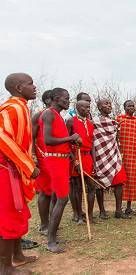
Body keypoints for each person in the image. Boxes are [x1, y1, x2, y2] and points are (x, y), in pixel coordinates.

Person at [0, 73, 39, 274]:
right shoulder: (12, 109)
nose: (34, 86)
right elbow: (3, 139)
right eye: (30, 83)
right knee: (8, 217)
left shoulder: (22, 107)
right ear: (18, 87)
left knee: (18, 212)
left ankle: (18, 256)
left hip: (15, 170)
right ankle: (6, 268)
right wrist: (28, 166)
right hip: (6, 171)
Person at [41, 88, 82, 253]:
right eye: (66, 98)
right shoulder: (48, 114)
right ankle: (51, 242)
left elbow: (59, 140)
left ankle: (52, 236)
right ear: (56, 98)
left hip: (62, 159)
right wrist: (70, 138)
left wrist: (71, 146)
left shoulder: (59, 116)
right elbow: (48, 140)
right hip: (54, 159)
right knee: (62, 199)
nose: (68, 101)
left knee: (57, 198)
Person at [93, 99, 130, 219]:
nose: (109, 105)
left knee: (119, 182)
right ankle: (102, 211)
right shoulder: (94, 122)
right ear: (99, 107)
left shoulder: (114, 123)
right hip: (100, 155)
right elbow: (94, 141)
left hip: (114, 155)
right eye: (105, 104)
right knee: (100, 184)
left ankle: (118, 211)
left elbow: (116, 140)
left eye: (110, 103)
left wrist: (119, 152)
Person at [66, 100, 95, 224]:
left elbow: (92, 143)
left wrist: (94, 160)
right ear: (77, 108)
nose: (87, 109)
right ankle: (78, 215)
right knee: (77, 187)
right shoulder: (71, 121)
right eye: (84, 107)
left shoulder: (91, 123)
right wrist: (75, 161)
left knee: (92, 186)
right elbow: (66, 143)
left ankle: (89, 216)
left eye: (89, 107)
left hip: (88, 157)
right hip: (76, 156)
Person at [32, 89, 54, 235]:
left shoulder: (57, 116)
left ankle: (52, 222)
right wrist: (33, 156)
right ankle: (44, 224)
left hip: (55, 158)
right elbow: (31, 138)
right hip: (42, 157)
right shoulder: (38, 115)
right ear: (47, 101)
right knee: (44, 192)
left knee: (54, 192)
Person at [116, 100, 136, 216]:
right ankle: (119, 208)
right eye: (128, 106)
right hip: (123, 154)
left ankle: (129, 207)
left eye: (133, 106)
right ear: (124, 107)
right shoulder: (119, 120)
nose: (131, 107)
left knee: (133, 180)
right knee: (122, 180)